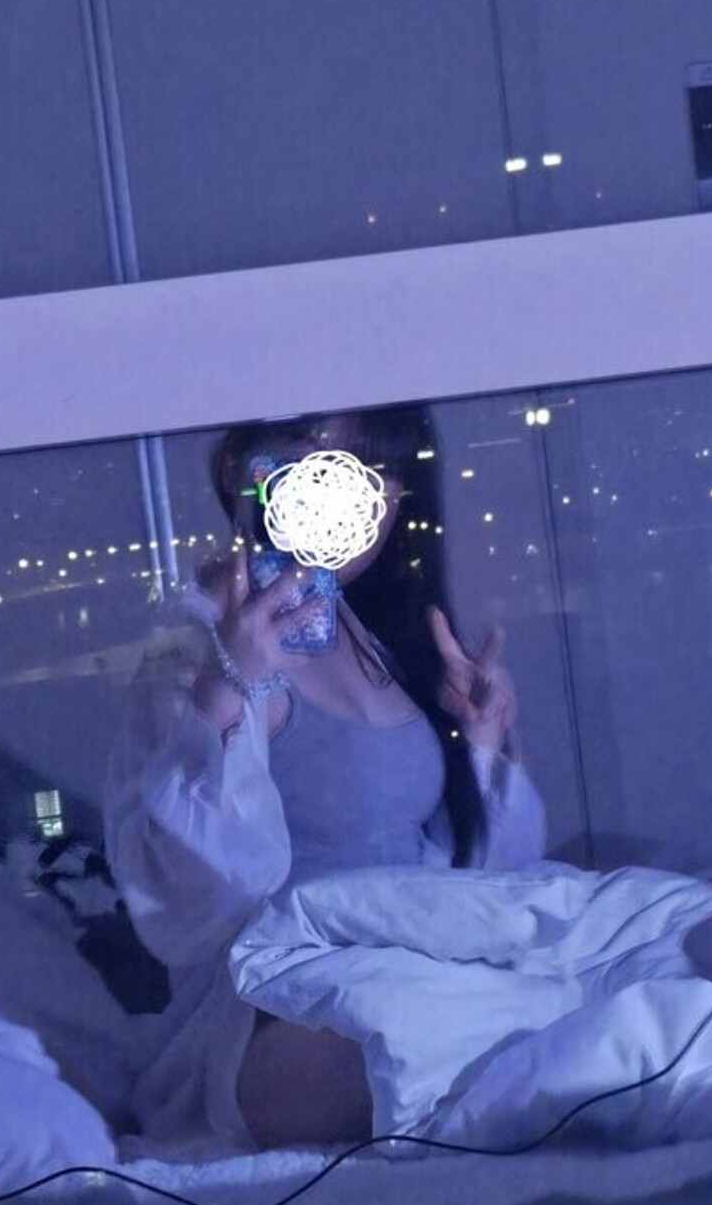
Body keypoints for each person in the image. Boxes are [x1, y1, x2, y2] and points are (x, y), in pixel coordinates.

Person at [104, 404, 547, 1149]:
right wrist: (228, 689)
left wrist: (480, 744)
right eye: (325, 462)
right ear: (246, 472)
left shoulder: (367, 632)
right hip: (270, 1017)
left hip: (414, 967)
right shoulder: (194, 643)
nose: (360, 495)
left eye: (382, 470)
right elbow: (183, 902)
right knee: (455, 1040)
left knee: (570, 991)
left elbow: (461, 879)